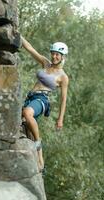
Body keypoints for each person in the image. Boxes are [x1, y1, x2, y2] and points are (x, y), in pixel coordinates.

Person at [21, 36, 69, 172]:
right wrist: (19, 35)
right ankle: (40, 159)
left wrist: (60, 119)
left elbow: (63, 99)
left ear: (62, 56)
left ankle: (38, 142)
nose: (54, 57)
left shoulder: (63, 77)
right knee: (26, 126)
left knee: (27, 113)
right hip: (30, 98)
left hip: (42, 100)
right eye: (53, 53)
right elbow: (30, 48)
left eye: (57, 55)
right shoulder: (46, 63)